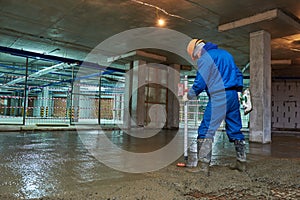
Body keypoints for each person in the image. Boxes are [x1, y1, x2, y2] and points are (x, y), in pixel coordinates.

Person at [183, 39, 246, 173]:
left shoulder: (205, 58)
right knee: (235, 128)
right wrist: (239, 91)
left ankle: (203, 166)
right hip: (233, 96)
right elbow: (239, 73)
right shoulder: (227, 54)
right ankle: (241, 162)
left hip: (219, 97)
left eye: (196, 56)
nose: (197, 59)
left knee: (206, 129)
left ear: (197, 50)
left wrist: (189, 95)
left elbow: (200, 82)